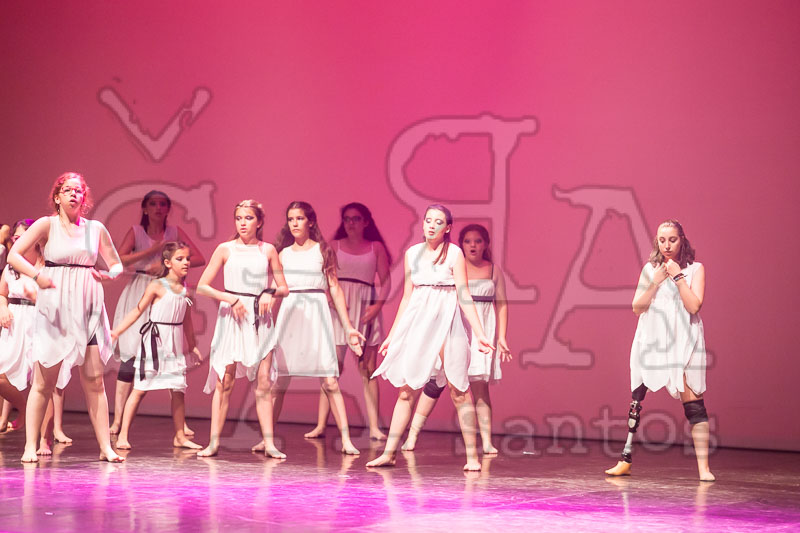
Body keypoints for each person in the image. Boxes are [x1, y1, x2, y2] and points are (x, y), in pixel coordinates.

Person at [8, 172, 124, 462]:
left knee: (94, 381)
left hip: (88, 307)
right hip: (55, 307)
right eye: (68, 190)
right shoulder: (46, 225)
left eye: (79, 190)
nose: (74, 194)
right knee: (44, 382)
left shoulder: (95, 229)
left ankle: (106, 448)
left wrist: (108, 274)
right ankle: (30, 445)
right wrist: (37, 275)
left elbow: (116, 264)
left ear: (84, 198)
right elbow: (14, 255)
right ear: (57, 197)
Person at [367, 205, 494, 471]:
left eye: (438, 222)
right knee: (407, 391)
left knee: (459, 390)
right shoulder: (413, 253)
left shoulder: (454, 253)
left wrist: (480, 333)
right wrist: (393, 334)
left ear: (447, 228)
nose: (432, 225)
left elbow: (464, 294)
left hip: (448, 320)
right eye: (428, 220)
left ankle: (473, 457)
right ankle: (389, 453)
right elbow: (407, 297)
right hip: (420, 321)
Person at [605, 220, 715, 481]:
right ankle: (625, 459)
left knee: (694, 402)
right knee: (637, 397)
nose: (667, 245)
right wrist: (654, 283)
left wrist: (678, 277)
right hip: (653, 338)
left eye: (672, 240)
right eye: (662, 240)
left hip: (684, 340)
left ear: (682, 240)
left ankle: (704, 468)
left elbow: (694, 306)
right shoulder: (650, 270)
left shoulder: (695, 269)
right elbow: (637, 307)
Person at [402, 224, 511, 454]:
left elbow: (501, 304)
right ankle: (411, 436)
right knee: (436, 383)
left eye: (478, 241)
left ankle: (487, 441)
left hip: (481, 328)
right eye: (468, 241)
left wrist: (501, 337)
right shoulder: (454, 266)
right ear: (461, 245)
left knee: (479, 386)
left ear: (486, 244)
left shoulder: (493, 270)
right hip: (454, 326)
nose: (473, 245)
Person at [269, 201, 365, 455]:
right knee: (279, 383)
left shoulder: (323, 250)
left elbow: (334, 288)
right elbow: (276, 288)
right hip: (291, 314)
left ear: (310, 222)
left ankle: (346, 441)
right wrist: (265, 313)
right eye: (291, 219)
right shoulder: (282, 254)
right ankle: (267, 440)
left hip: (316, 313)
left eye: (300, 218)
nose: (295, 223)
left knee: (330, 381)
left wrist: (348, 328)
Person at [196, 200, 289, 458]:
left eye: (248, 218)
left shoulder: (268, 250)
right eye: (239, 218)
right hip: (232, 316)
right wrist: (229, 298)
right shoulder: (225, 249)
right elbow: (202, 286)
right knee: (224, 381)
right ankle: (213, 443)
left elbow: (284, 287)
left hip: (260, 318)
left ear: (259, 222)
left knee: (263, 382)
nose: (243, 223)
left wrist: (270, 292)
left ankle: (269, 443)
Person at [110, 190, 205, 435]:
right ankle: (118, 420)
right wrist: (154, 252)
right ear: (145, 208)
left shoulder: (174, 232)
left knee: (170, 358)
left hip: (168, 289)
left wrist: (164, 263)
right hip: (141, 287)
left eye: (163, 204)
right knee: (131, 353)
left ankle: (180, 424)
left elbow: (199, 258)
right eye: (153, 204)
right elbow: (120, 259)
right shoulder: (137, 231)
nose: (158, 208)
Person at [302, 202, 391, 441]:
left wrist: (377, 306)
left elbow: (386, 281)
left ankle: (374, 427)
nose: (351, 223)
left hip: (365, 310)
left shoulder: (375, 248)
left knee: (368, 370)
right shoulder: (334, 246)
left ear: (366, 222)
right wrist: (330, 298)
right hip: (339, 309)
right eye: (347, 219)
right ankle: (321, 425)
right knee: (331, 369)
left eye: (356, 218)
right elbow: (324, 277)